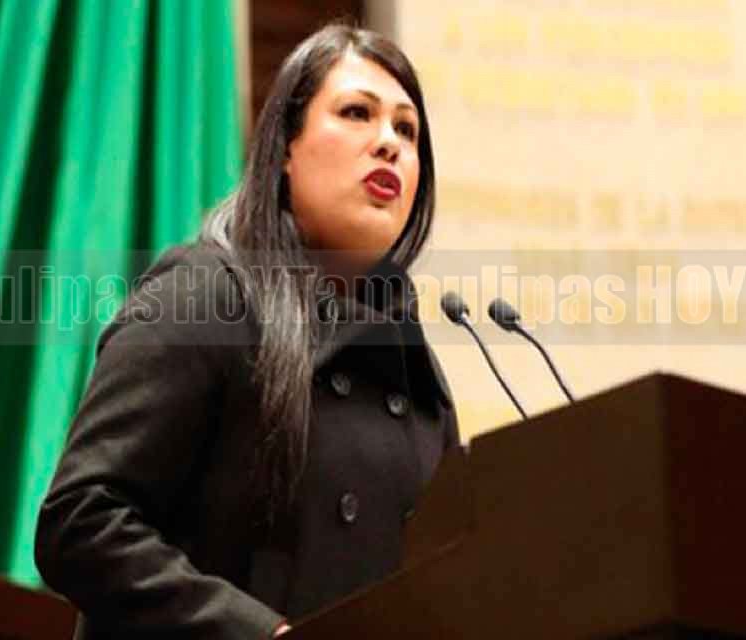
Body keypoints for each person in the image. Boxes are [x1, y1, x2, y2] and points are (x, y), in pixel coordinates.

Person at [34, 23, 459, 640]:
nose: (388, 143)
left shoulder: (416, 375)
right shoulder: (207, 295)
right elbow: (80, 521)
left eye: (407, 129)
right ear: (286, 148)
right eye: (357, 113)